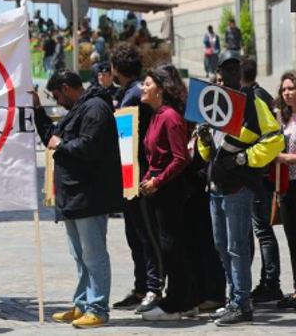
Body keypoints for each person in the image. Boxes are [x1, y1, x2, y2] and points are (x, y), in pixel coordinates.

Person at [196, 50, 283, 325]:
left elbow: (274, 140)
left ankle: (242, 304)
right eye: (226, 69)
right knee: (222, 246)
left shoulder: (252, 101)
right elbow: (208, 153)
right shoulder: (214, 101)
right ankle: (234, 299)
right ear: (219, 72)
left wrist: (244, 159)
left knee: (237, 247)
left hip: (238, 187)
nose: (230, 74)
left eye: (235, 69)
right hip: (216, 185)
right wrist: (204, 139)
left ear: (240, 72)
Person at [35, 70, 123, 329]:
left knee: (94, 254)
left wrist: (61, 145)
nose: (58, 100)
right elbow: (52, 138)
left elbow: (89, 148)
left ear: (66, 87)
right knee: (80, 255)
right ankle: (83, 303)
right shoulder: (79, 109)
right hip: (73, 195)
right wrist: (38, 111)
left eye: (57, 95)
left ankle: (97, 307)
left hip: (89, 195)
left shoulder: (95, 109)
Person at [135, 68, 196, 321]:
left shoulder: (170, 116)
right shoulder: (156, 115)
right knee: (169, 247)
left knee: (172, 247)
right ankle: (186, 301)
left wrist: (157, 181)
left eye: (147, 84)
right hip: (158, 189)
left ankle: (176, 304)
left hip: (169, 190)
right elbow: (156, 155)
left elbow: (180, 158)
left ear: (159, 88)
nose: (142, 88)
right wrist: (148, 178)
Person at [110, 44, 162, 313]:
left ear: (115, 69)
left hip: (137, 174)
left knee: (143, 234)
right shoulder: (132, 92)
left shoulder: (132, 96)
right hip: (135, 172)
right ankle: (142, 286)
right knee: (137, 234)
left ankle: (151, 287)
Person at [241, 56, 283, 304]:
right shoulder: (261, 95)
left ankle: (270, 283)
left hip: (258, 175)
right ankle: (267, 282)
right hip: (260, 175)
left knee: (262, 231)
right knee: (260, 231)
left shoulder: (255, 98)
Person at [275, 71, 296, 308]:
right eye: (284, 89)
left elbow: (284, 157)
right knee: (292, 240)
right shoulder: (284, 119)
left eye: (290, 88)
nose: (286, 93)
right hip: (287, 187)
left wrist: (286, 158)